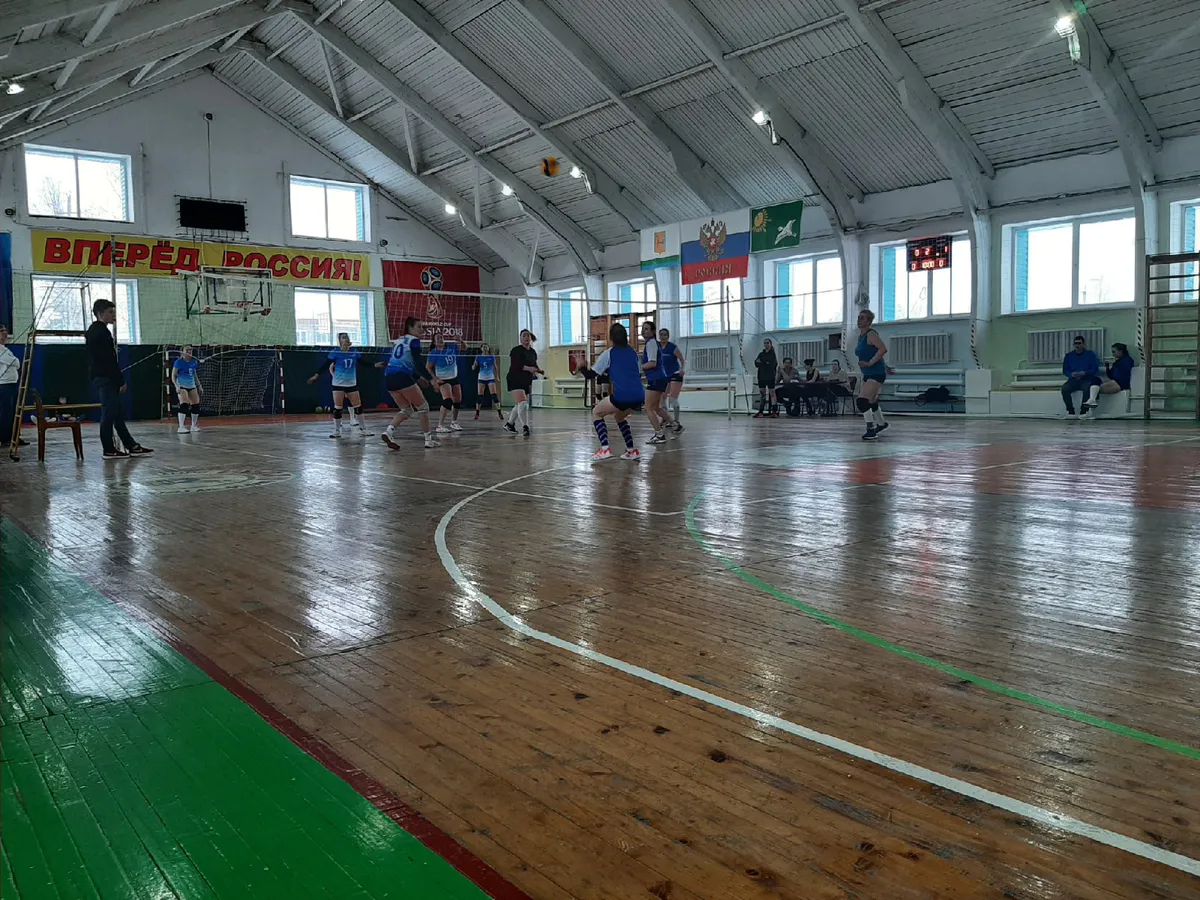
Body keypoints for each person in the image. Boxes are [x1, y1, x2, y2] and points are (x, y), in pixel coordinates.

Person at [86, 299, 152, 459]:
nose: (113, 315)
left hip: (102, 376)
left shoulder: (94, 331)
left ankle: (131, 446)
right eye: (110, 312)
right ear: (100, 313)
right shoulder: (101, 332)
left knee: (116, 413)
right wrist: (120, 380)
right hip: (106, 377)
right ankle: (108, 449)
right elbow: (108, 360)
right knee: (109, 413)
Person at [578, 322, 643, 462]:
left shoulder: (609, 353)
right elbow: (639, 373)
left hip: (623, 395)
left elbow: (591, 375)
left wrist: (582, 367)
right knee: (619, 417)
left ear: (611, 338)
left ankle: (605, 449)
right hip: (639, 395)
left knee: (596, 412)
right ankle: (631, 451)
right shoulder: (633, 352)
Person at [381, 317, 439, 450]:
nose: (422, 330)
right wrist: (431, 379)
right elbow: (418, 363)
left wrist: (418, 378)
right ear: (410, 327)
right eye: (419, 327)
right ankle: (428, 440)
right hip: (401, 377)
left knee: (407, 410)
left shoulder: (399, 340)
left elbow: (404, 364)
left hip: (389, 378)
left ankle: (388, 432)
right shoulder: (414, 341)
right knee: (423, 407)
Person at [307, 333, 372, 438]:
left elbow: (364, 363)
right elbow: (325, 365)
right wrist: (316, 375)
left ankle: (363, 429)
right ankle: (337, 431)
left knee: (358, 407)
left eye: (346, 337)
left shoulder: (354, 352)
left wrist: (375, 365)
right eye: (343, 337)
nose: (345, 339)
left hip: (351, 383)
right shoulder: (335, 352)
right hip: (338, 383)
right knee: (338, 408)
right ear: (340, 341)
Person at [640, 320, 679, 444]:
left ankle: (659, 434)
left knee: (648, 407)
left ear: (652, 331)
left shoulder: (651, 343)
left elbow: (652, 363)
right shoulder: (653, 344)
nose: (643, 331)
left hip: (656, 379)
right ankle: (675, 425)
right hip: (660, 378)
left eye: (647, 328)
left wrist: (639, 368)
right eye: (643, 328)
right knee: (656, 407)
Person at [855, 309, 889, 441]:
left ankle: (871, 430)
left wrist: (870, 363)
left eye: (862, 318)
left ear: (869, 321)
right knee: (871, 401)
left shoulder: (871, 334)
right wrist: (886, 367)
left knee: (862, 401)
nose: (859, 320)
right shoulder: (861, 336)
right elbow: (874, 352)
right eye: (859, 317)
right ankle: (881, 423)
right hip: (868, 373)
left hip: (875, 373)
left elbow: (882, 349)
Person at [504, 329, 543, 437]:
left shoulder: (532, 352)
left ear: (530, 338)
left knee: (519, 404)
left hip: (526, 380)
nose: (526, 337)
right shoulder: (516, 350)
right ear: (520, 338)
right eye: (524, 336)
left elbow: (534, 364)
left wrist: (539, 370)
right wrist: (530, 369)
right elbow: (516, 365)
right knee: (523, 403)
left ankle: (509, 424)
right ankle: (525, 427)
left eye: (528, 335)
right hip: (515, 378)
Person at [426, 335, 463, 433]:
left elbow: (464, 348)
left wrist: (461, 341)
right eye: (438, 338)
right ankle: (440, 425)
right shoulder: (434, 353)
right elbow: (428, 368)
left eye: (441, 337)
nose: (441, 339)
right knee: (448, 401)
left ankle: (454, 422)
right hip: (443, 379)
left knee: (458, 401)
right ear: (434, 342)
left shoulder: (451, 347)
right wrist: (435, 379)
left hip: (454, 377)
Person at [1061, 334, 1103, 418]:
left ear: (1083, 344)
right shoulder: (1069, 356)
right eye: (1076, 343)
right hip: (1073, 379)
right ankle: (1070, 411)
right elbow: (1065, 370)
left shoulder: (1090, 354)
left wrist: (1085, 373)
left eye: (1079, 343)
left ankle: (1084, 411)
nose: (1077, 345)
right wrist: (1071, 374)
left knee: (1086, 388)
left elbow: (1094, 368)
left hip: (1086, 378)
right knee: (1065, 389)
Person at [0, 325, 27, 449]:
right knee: (6, 413)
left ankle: (14, 436)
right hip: (4, 385)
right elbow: (14, 362)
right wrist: (15, 360)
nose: (5, 333)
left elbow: (16, 363)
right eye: (1, 331)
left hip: (11, 384)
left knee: (13, 412)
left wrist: (15, 361)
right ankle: (5, 438)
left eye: (5, 331)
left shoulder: (5, 349)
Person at [172, 345, 203, 434]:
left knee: (196, 405)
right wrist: (176, 386)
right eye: (187, 350)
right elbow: (173, 375)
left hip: (192, 385)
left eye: (190, 350)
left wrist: (199, 385)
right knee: (184, 404)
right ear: (182, 352)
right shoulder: (179, 362)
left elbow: (194, 375)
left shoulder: (193, 362)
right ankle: (181, 427)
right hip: (182, 385)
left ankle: (193, 426)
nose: (189, 352)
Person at [658, 328, 686, 426]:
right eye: (661, 335)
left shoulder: (672, 347)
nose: (663, 337)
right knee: (662, 398)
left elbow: (682, 360)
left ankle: (676, 421)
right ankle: (665, 419)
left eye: (665, 335)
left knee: (673, 398)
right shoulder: (658, 347)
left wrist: (682, 369)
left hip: (675, 374)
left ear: (668, 336)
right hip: (664, 376)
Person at [473, 342, 503, 420]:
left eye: (486, 347)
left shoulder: (491, 356)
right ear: (481, 348)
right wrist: (474, 366)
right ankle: (477, 413)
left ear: (488, 348)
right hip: (481, 377)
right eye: (483, 347)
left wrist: (497, 376)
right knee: (480, 396)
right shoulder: (478, 356)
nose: (485, 348)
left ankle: (499, 412)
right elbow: (474, 366)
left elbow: (495, 367)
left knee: (494, 395)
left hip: (490, 377)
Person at [753, 338, 778, 418]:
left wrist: (762, 363)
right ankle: (761, 411)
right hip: (761, 376)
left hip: (770, 376)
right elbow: (756, 363)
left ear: (770, 344)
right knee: (762, 394)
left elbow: (772, 365)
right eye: (765, 343)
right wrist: (765, 363)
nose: (766, 344)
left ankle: (774, 411)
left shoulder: (772, 354)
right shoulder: (761, 354)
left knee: (772, 393)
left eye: (767, 343)